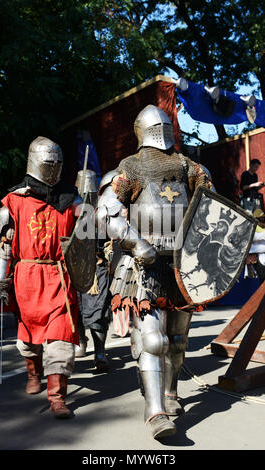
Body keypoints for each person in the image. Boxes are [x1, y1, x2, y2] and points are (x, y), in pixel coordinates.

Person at [96, 104, 214, 439]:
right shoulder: (130, 168)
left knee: (177, 341)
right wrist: (136, 244)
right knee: (153, 339)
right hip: (144, 265)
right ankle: (155, 412)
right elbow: (107, 214)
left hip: (180, 265)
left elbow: (212, 209)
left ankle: (171, 392)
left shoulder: (188, 167)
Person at [0, 136, 81, 419]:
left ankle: (57, 397)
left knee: (61, 338)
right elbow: (5, 246)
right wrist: (0, 279)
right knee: (28, 339)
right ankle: (34, 372)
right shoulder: (13, 201)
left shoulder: (71, 199)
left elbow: (91, 229)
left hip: (58, 275)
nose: (54, 169)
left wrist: (94, 202)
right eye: (48, 163)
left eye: (58, 163)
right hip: (27, 278)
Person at [75, 169, 111, 372]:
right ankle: (81, 340)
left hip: (97, 268)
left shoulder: (104, 211)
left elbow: (112, 239)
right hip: (74, 267)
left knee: (98, 312)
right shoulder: (70, 208)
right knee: (76, 310)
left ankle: (100, 352)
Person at [246, 208, 265, 283]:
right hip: (254, 257)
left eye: (263, 218)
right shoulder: (252, 228)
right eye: (261, 218)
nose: (263, 220)